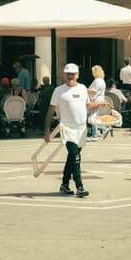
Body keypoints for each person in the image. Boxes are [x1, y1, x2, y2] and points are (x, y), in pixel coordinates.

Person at [44, 62, 104, 198]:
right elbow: (50, 110)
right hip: (67, 128)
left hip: (81, 129)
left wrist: (101, 104)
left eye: (73, 74)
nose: (70, 76)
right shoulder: (58, 90)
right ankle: (80, 187)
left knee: (72, 157)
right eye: (68, 73)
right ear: (64, 75)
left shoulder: (83, 88)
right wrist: (47, 130)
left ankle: (64, 184)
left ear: (77, 75)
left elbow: (88, 105)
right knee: (76, 156)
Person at [87, 65, 106, 140]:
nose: (92, 73)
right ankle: (104, 128)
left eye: (93, 72)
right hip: (100, 100)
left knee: (92, 118)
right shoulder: (102, 80)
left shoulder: (97, 81)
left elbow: (94, 91)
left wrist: (84, 89)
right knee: (93, 117)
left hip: (95, 101)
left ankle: (94, 135)